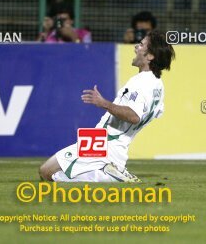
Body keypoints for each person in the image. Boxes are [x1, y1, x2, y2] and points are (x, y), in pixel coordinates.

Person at [39, 30, 175, 182]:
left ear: (150, 56)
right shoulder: (158, 86)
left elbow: (134, 116)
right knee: (50, 173)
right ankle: (110, 172)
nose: (136, 47)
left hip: (104, 143)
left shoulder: (141, 82)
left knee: (46, 172)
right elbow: (156, 112)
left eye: (142, 45)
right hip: (113, 145)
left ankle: (108, 175)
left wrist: (103, 103)